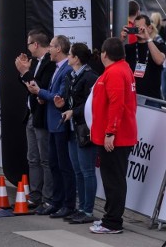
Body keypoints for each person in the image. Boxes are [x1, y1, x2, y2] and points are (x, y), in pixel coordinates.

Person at [89, 38, 137, 234]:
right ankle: (111, 217)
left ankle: (113, 222)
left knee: (114, 180)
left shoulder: (116, 72)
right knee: (113, 179)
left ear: (105, 54)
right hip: (116, 134)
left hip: (116, 137)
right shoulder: (120, 69)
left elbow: (117, 105)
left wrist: (110, 132)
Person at [26, 35, 75, 219]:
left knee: (63, 166)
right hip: (52, 123)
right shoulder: (57, 68)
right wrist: (42, 95)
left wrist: (40, 92)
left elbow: (59, 96)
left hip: (60, 124)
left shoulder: (66, 69)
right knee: (53, 164)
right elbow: (53, 94)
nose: (49, 50)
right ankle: (56, 201)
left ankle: (65, 203)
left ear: (59, 49)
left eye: (52, 47)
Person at [53, 43, 99, 224]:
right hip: (72, 128)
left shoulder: (90, 77)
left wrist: (74, 111)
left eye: (70, 55)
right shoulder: (70, 76)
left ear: (76, 58)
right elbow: (67, 100)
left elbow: (91, 104)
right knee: (77, 170)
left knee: (87, 171)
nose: (68, 57)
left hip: (84, 128)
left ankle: (88, 210)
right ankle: (81, 208)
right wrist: (61, 104)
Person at [14, 30, 55, 212]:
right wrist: (24, 72)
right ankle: (35, 195)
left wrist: (25, 72)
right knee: (33, 158)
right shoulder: (38, 62)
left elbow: (38, 88)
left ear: (36, 44)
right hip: (32, 113)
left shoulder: (49, 63)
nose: (28, 48)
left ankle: (48, 198)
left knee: (45, 159)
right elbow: (30, 86)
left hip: (42, 115)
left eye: (29, 44)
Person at [121, 14, 166, 101]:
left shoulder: (159, 45)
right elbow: (113, 60)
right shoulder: (129, 48)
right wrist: (121, 40)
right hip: (132, 97)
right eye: (136, 28)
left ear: (149, 28)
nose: (139, 30)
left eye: (142, 28)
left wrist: (147, 38)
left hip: (152, 98)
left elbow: (159, 60)